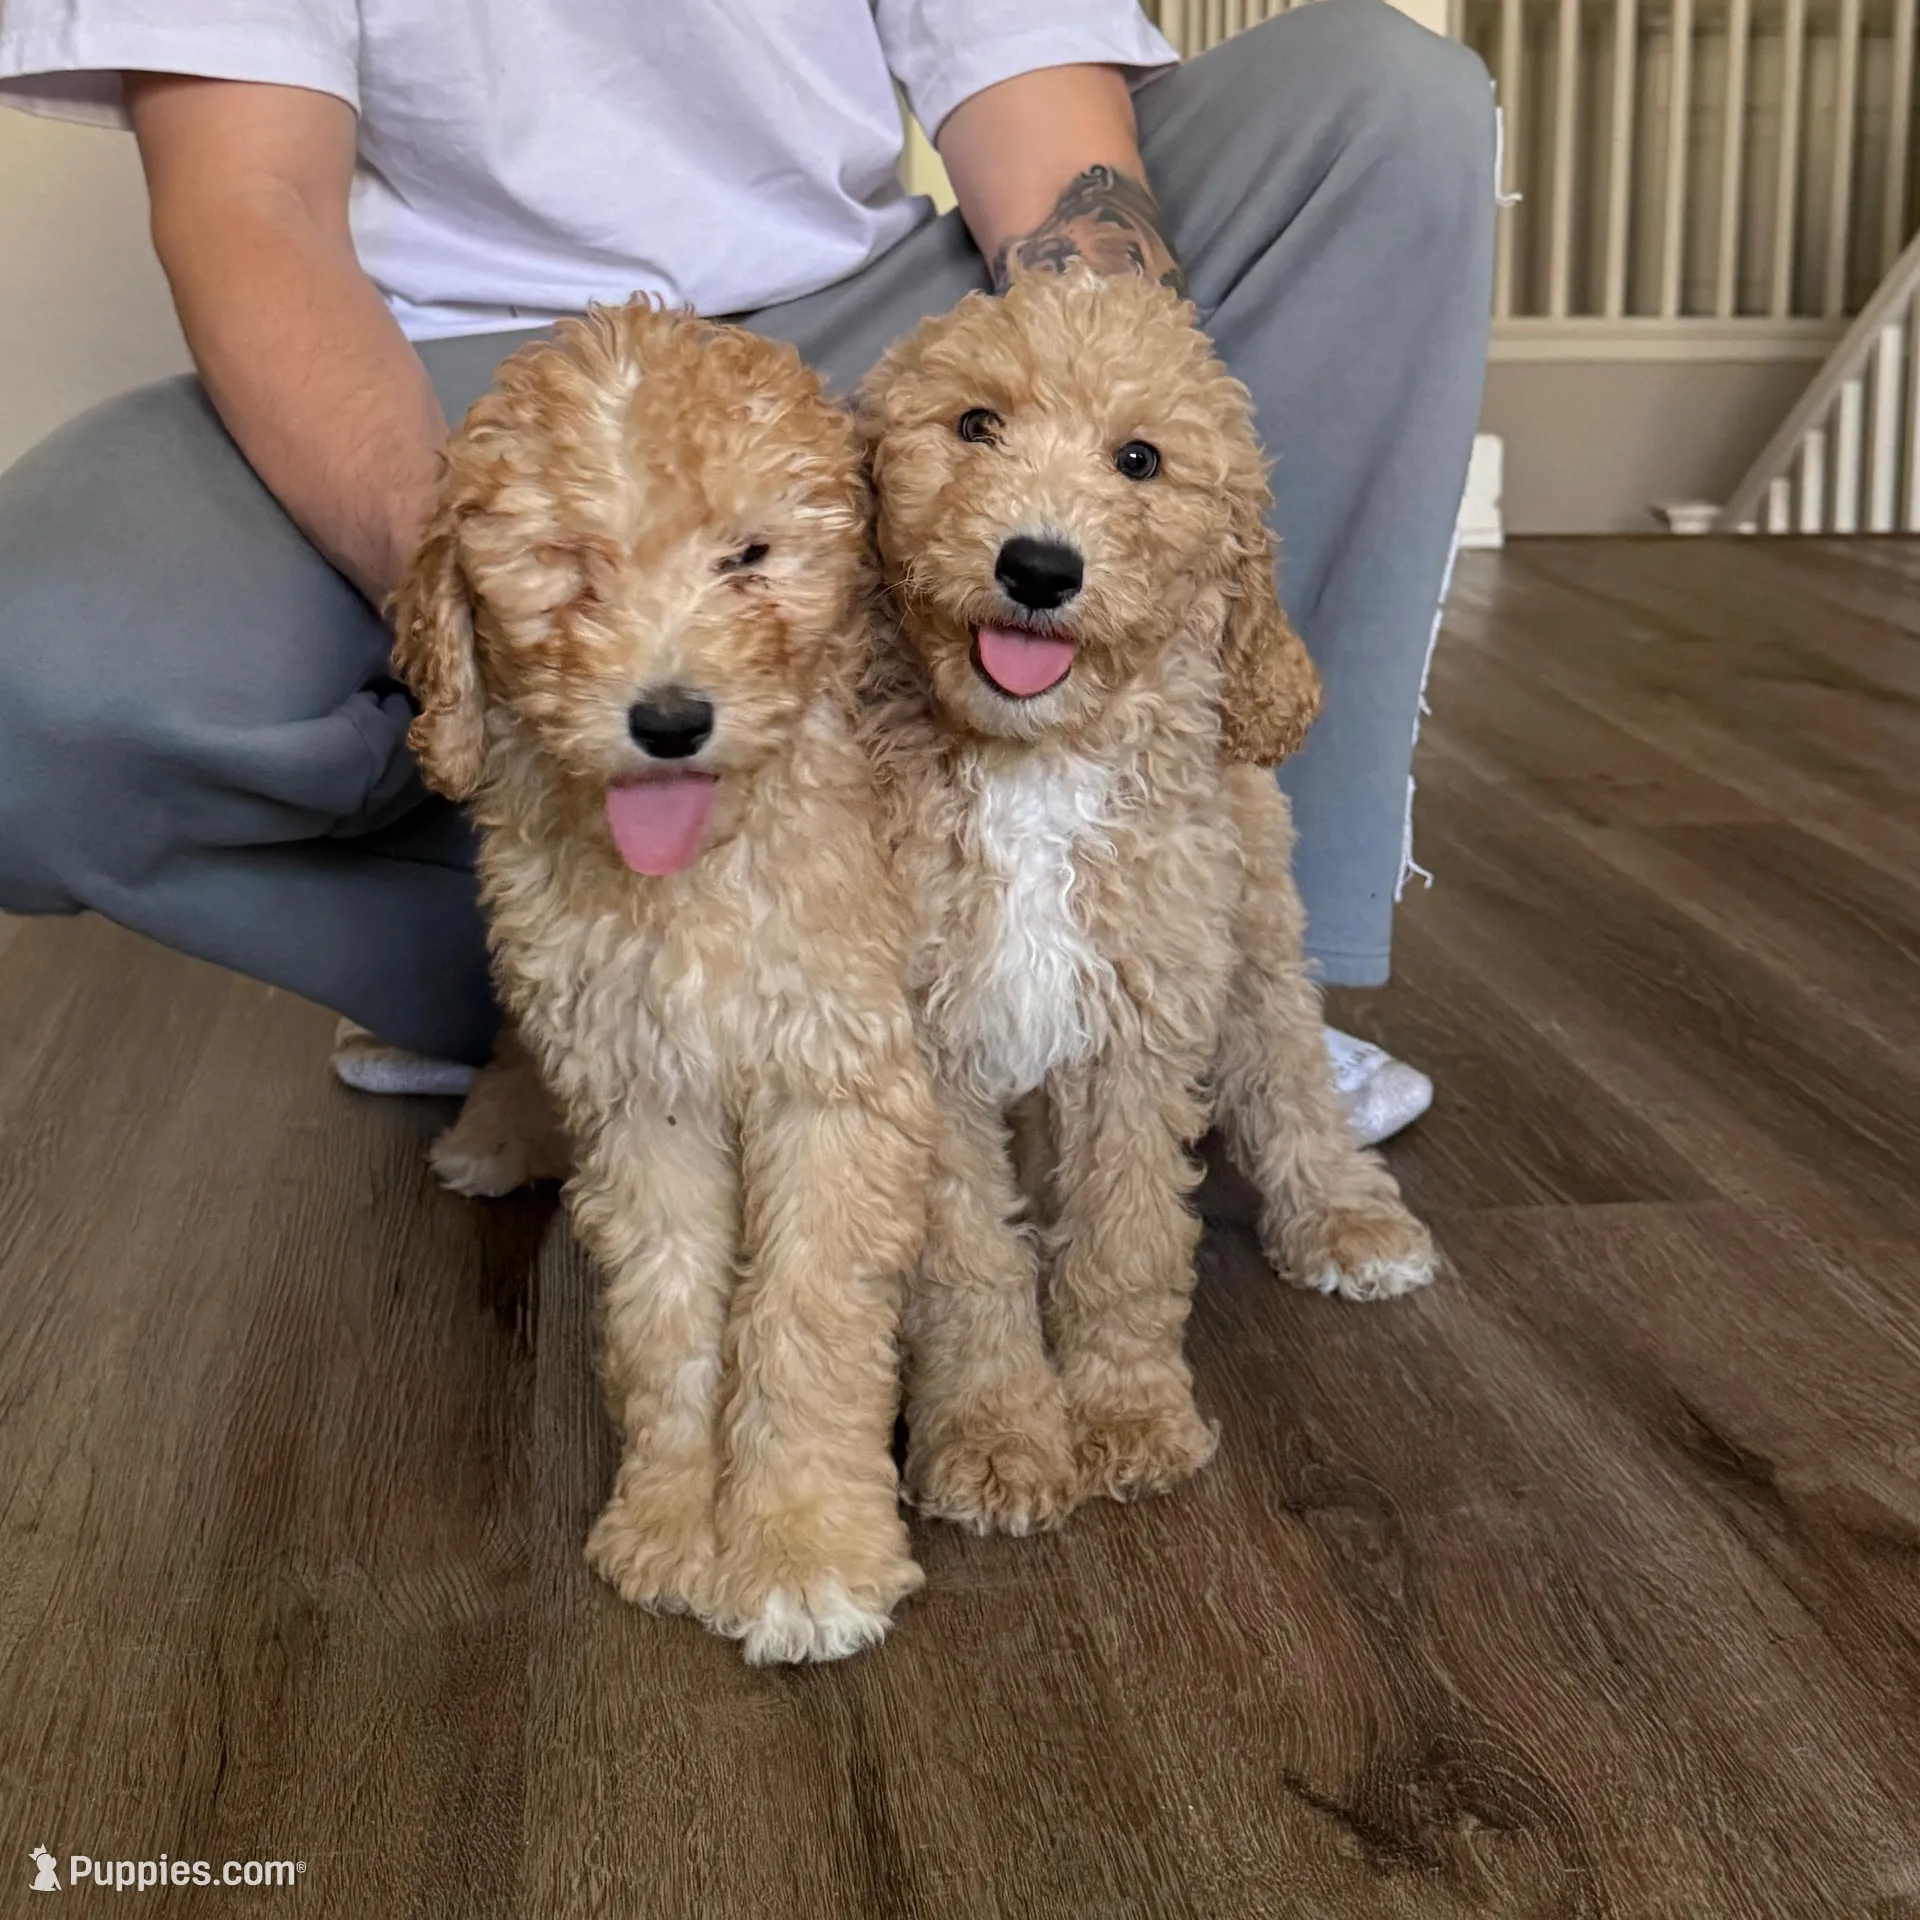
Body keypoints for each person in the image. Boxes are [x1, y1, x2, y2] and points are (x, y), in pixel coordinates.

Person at [0, 0, 1493, 1147]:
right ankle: (561, 990)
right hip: (457, 379)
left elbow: (1036, 123)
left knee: (1381, 99)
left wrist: (1079, 465)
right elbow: (249, 202)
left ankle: (1171, 970)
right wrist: (489, 597)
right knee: (30, 679)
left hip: (843, 321)